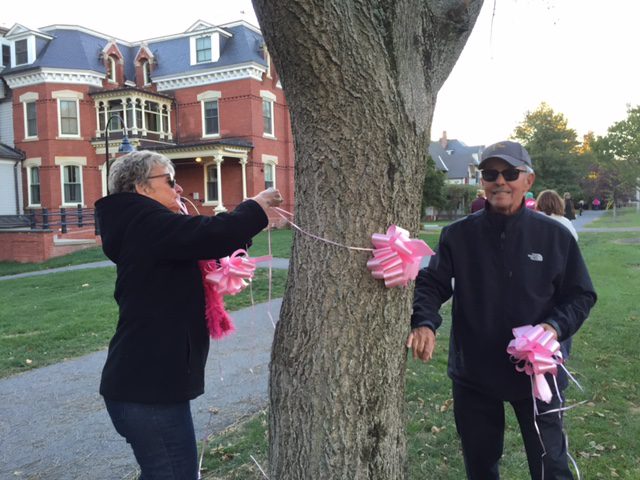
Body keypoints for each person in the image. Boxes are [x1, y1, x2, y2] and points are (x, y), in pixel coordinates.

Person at [407, 140, 596, 480]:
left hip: (538, 373)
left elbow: (581, 294)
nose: (500, 181)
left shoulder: (555, 236)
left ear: (529, 181)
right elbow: (432, 283)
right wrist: (424, 322)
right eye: (490, 173)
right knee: (480, 468)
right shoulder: (458, 235)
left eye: (511, 173)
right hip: (475, 372)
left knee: (551, 466)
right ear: (482, 180)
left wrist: (554, 327)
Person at [95, 150, 283, 479]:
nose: (179, 188)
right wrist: (255, 208)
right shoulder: (144, 223)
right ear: (142, 188)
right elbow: (207, 234)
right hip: (148, 393)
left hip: (145, 389)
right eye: (169, 181)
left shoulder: (143, 226)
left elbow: (201, 243)